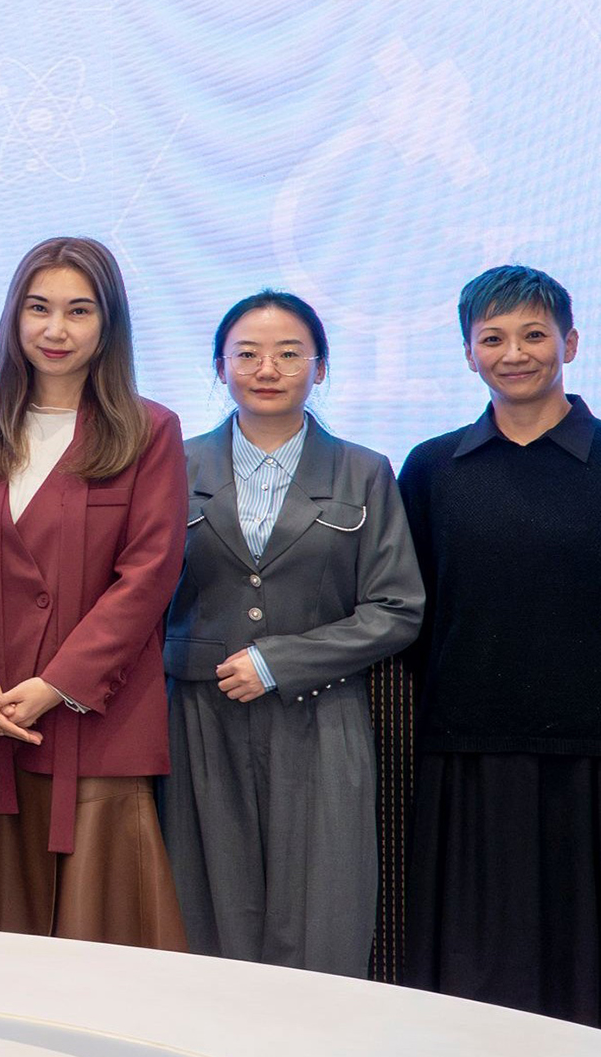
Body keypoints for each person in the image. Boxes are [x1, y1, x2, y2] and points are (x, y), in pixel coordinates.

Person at [400, 265, 601, 1057]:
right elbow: (415, 611)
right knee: (487, 978)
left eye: (535, 334)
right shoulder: (432, 469)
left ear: (570, 344)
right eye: (493, 339)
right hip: (478, 748)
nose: (516, 353)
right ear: (469, 354)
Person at [0, 236, 190, 948]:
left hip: (97, 723)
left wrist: (57, 683)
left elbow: (149, 574)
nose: (56, 330)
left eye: (78, 311)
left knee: (103, 954)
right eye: (38, 309)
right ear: (14, 317)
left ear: (109, 324)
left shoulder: (150, 429)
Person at [163, 290, 423, 977]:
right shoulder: (170, 466)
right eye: (246, 354)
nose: (267, 369)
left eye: (288, 354)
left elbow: (397, 608)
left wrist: (279, 662)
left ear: (321, 367)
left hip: (321, 714)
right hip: (196, 715)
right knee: (206, 908)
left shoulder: (363, 471)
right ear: (220, 368)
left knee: (323, 914)